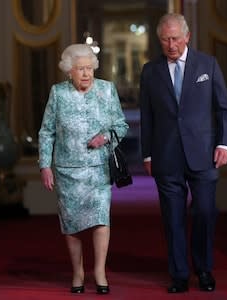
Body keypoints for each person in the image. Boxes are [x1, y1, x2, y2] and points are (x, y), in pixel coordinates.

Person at [139, 13, 227, 293]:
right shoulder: (150, 71)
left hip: (204, 153)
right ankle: (179, 274)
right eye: (165, 40)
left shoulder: (208, 64)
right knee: (173, 217)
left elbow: (224, 108)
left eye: (175, 38)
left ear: (187, 37)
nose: (171, 45)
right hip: (166, 154)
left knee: (205, 211)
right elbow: (147, 116)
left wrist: (224, 144)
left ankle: (203, 269)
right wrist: (147, 155)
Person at [38, 44, 128, 295]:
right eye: (80, 69)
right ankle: (77, 272)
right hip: (68, 170)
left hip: (99, 169)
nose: (86, 74)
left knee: (101, 218)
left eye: (89, 68)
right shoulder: (57, 94)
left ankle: (99, 271)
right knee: (72, 224)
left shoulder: (107, 90)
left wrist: (105, 138)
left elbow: (121, 126)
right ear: (69, 71)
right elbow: (47, 132)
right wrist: (45, 165)